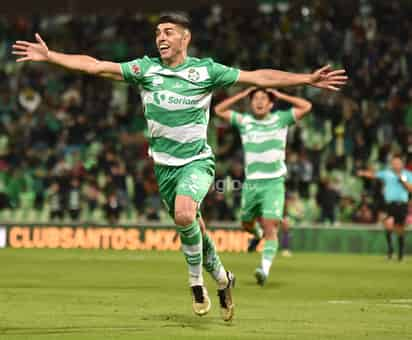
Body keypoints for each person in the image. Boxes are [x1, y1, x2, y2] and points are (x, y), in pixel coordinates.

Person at [12, 12, 347, 318]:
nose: (161, 37)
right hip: (164, 168)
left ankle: (196, 284)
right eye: (158, 32)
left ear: (185, 38)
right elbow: (96, 65)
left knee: (185, 214)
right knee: (194, 228)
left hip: (197, 162)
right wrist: (51, 56)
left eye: (169, 32)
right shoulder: (146, 70)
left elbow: (257, 75)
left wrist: (306, 79)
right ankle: (222, 277)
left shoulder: (206, 71)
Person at [214, 87, 312, 285]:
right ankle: (258, 235)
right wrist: (242, 94)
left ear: (270, 103)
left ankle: (264, 270)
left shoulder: (281, 119)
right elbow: (219, 111)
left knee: (270, 226)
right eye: (255, 98)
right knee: (246, 223)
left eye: (263, 98)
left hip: (274, 182)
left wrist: (280, 94)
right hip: (251, 184)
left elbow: (306, 106)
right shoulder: (245, 122)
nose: (258, 102)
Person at [357, 155, 412, 261]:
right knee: (388, 224)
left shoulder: (408, 174)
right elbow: (374, 175)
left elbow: (411, 189)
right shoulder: (387, 173)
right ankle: (390, 251)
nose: (395, 164)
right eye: (393, 162)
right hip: (389, 204)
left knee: (400, 229)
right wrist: (363, 173)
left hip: (401, 204)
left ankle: (400, 254)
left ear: (401, 164)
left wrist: (403, 181)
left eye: (397, 162)